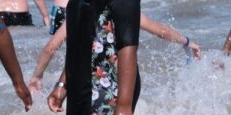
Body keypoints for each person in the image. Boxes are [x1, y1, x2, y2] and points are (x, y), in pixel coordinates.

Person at [27, 13, 200, 94]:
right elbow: (162, 31)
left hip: (84, 79)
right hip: (121, 80)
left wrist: (37, 76)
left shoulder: (80, 8)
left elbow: (51, 47)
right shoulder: (126, 7)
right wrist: (187, 41)